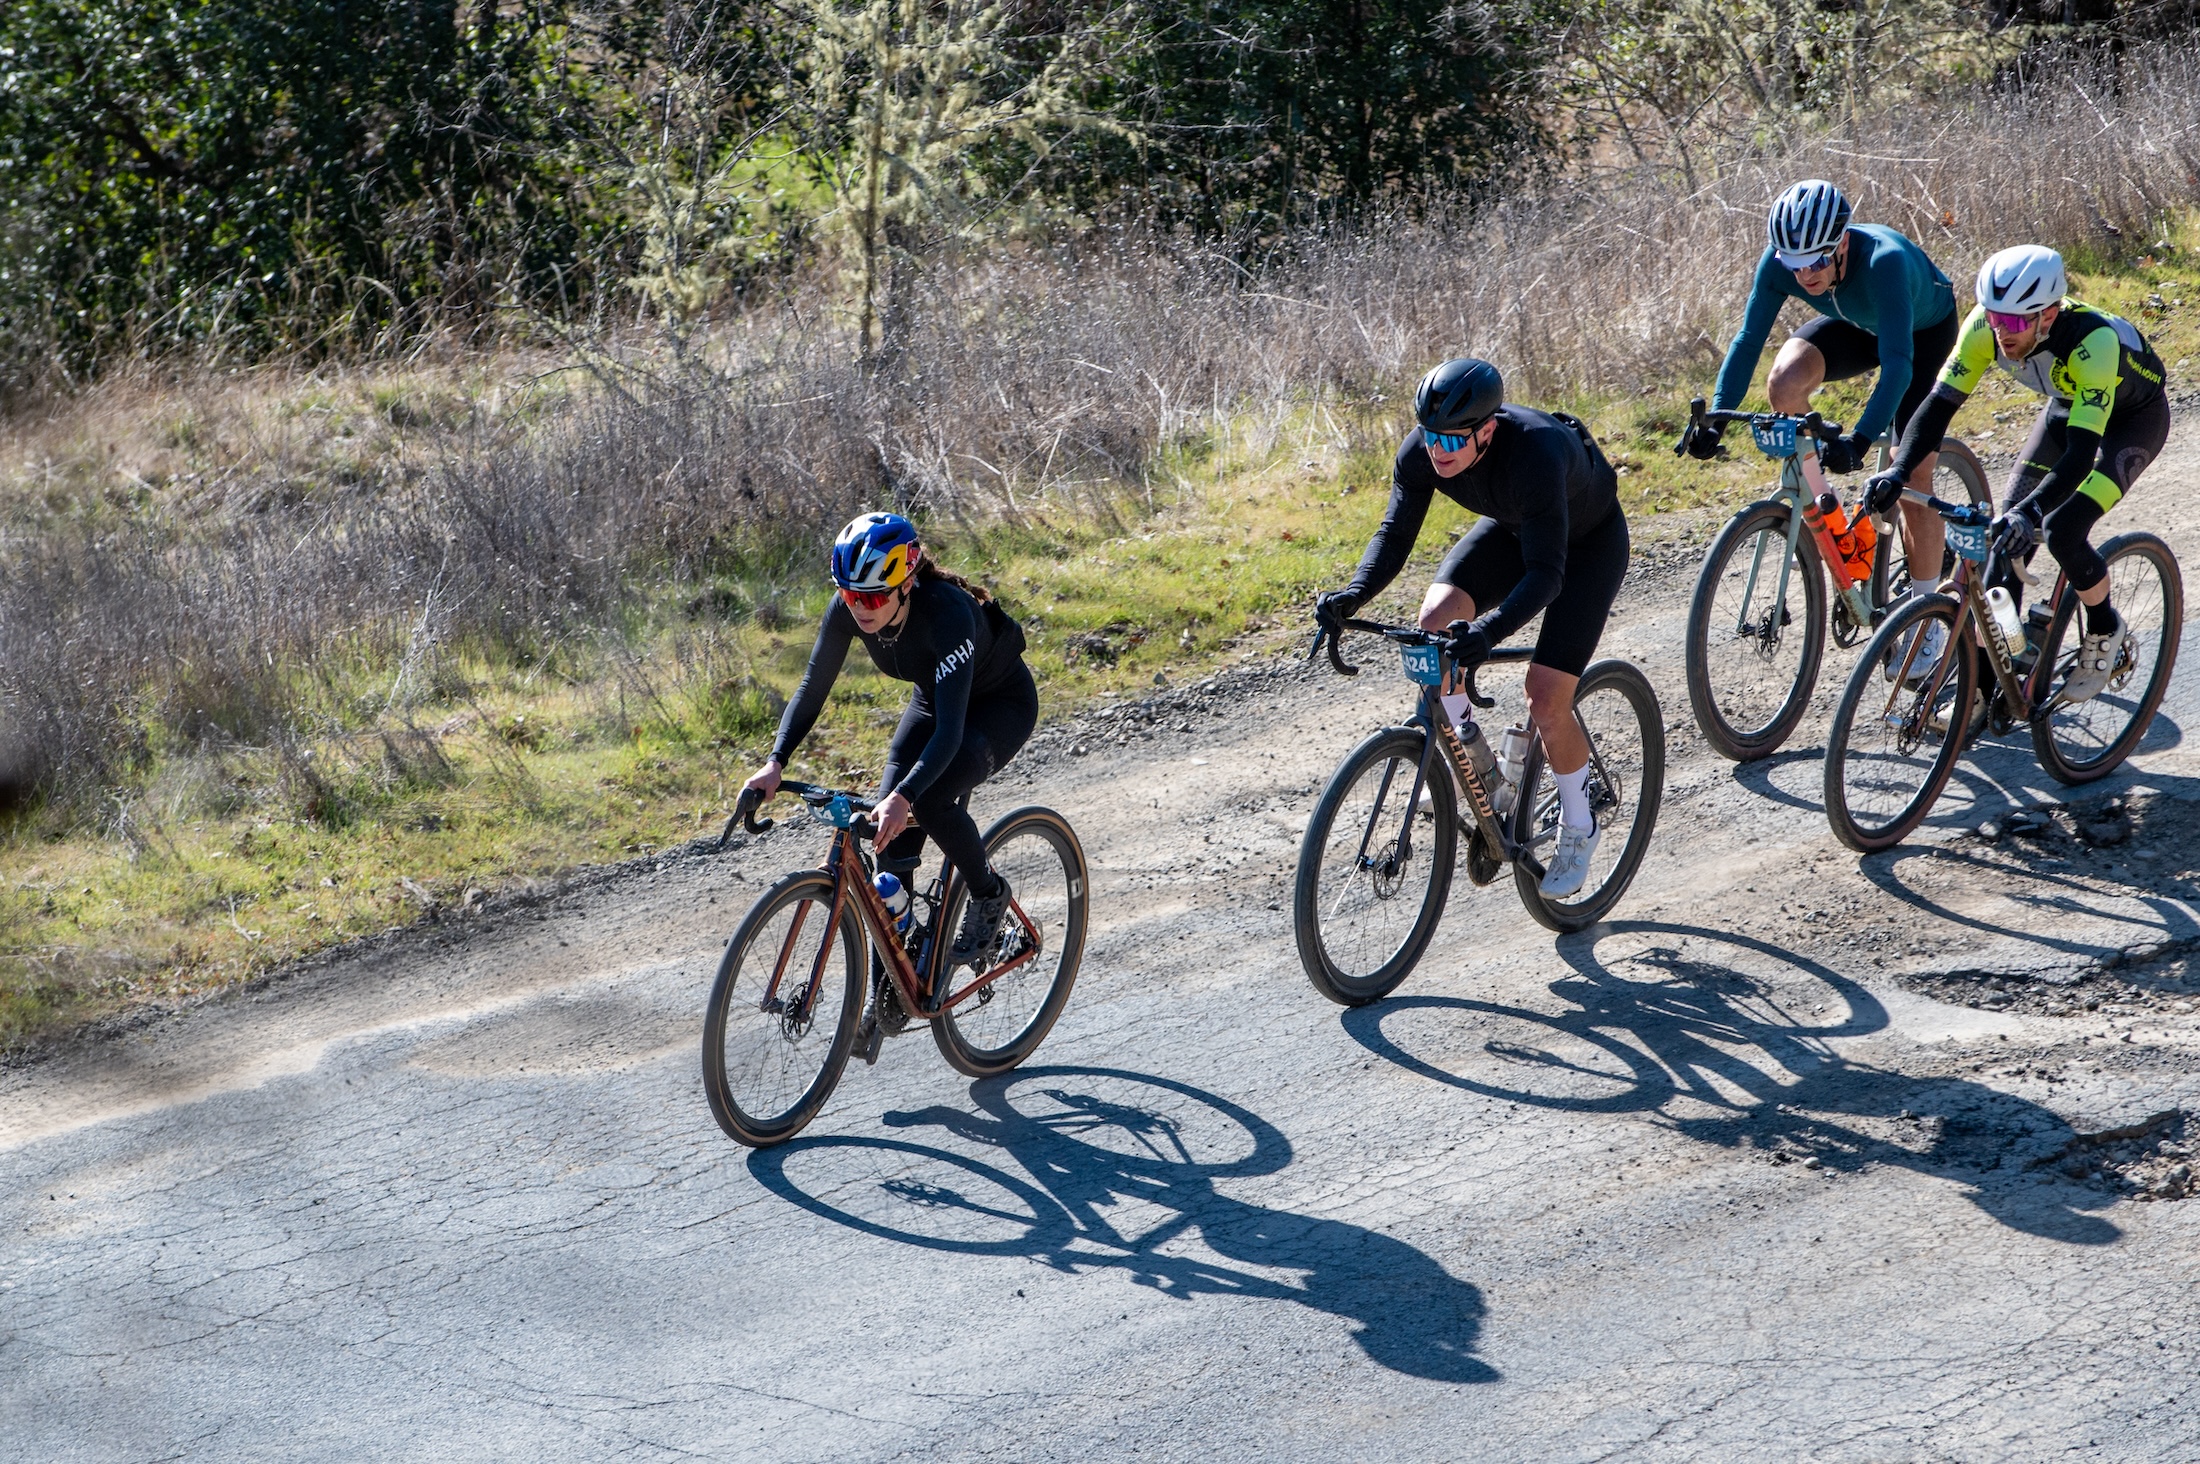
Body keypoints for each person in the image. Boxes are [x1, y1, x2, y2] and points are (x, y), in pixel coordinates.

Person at [1314, 357, 1629, 898]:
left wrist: (1487, 631)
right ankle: (1487, 776)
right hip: (1515, 531)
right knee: (1435, 623)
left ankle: (1580, 823)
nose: (1438, 451)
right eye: (1430, 435)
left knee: (1545, 697)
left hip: (1585, 549)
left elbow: (1548, 576)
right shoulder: (1424, 451)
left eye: (1453, 441)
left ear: (1487, 430)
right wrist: (1353, 594)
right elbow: (1395, 532)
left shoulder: (1536, 452)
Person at [743, 512, 1037, 989]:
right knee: (887, 838)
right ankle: (893, 989)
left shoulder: (948, 613)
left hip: (998, 706)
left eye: (874, 596)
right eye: (850, 593)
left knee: (925, 800)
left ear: (905, 584)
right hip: (935, 699)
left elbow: (950, 735)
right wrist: (775, 762)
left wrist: (905, 795)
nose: (861, 607)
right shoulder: (848, 610)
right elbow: (811, 688)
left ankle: (988, 893)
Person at [1865, 244, 2170, 700]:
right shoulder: (1984, 328)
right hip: (2068, 409)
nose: (1999, 332)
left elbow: (2080, 457)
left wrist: (2029, 514)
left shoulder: (2093, 342)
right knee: (2007, 543)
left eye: (2011, 322)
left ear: (2047, 315)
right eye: (1993, 317)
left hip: (2133, 422)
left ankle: (2105, 628)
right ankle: (1992, 686)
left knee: (2061, 527)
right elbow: (1936, 408)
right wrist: (1899, 472)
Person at [1681, 178, 1961, 601]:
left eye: (1815, 262)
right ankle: (1830, 521)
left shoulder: (1884, 262)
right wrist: (1717, 418)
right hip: (1856, 324)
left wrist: (1861, 440)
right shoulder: (1780, 266)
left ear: (1842, 242)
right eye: (1794, 264)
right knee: (1785, 383)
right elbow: (1748, 340)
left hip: (1921, 334)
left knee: (1910, 474)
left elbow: (1899, 366)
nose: (1804, 274)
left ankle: (1929, 618)